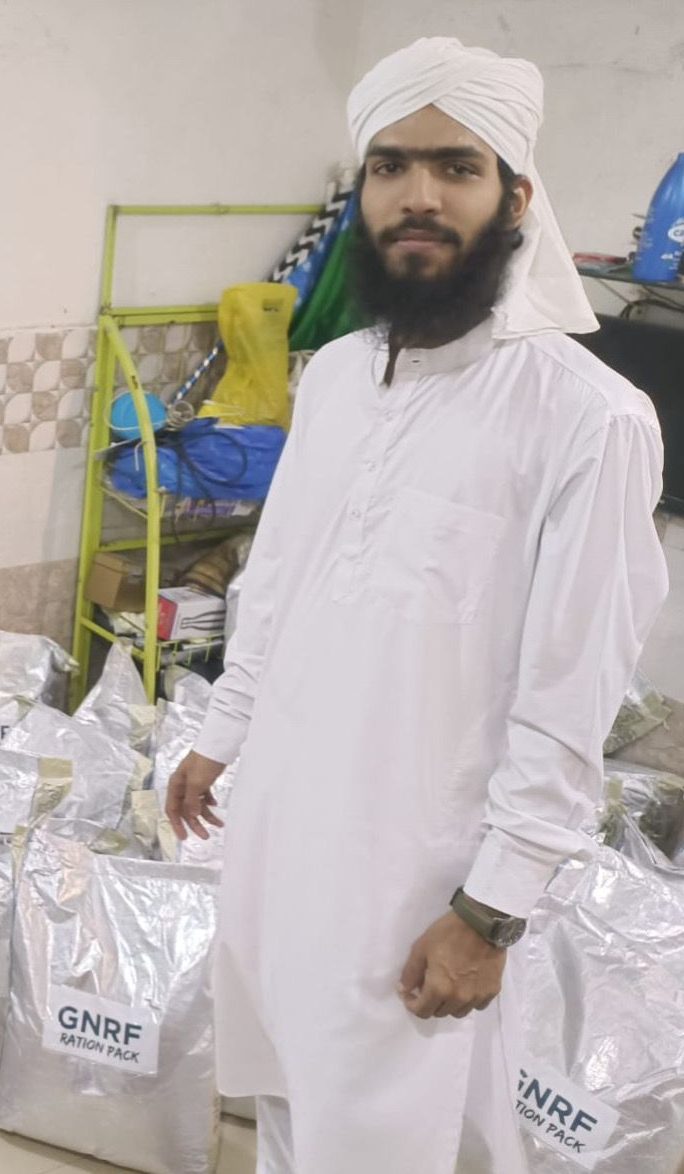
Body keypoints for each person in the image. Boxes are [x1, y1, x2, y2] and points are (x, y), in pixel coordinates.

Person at [165, 38, 668, 1174]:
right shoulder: (339, 374)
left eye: (456, 166)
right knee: (291, 1097)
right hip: (285, 830)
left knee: (388, 1130)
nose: (419, 196)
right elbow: (280, 578)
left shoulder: (588, 418)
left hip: (418, 869)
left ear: (517, 198)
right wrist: (220, 731)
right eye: (390, 166)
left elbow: (570, 693)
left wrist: (489, 910)